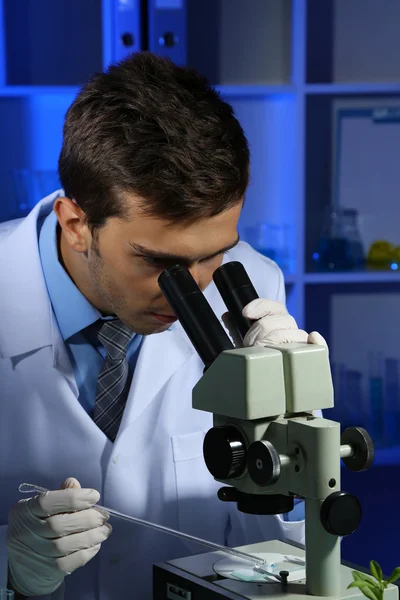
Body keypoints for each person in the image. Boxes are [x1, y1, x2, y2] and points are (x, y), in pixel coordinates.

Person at [0, 52, 325, 599]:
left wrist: (291, 442)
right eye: (160, 264)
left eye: (216, 255)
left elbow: (272, 552)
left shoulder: (258, 282)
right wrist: (7, 567)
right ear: (77, 224)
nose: (197, 288)